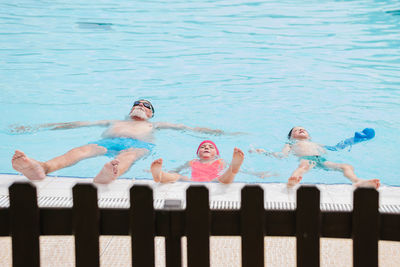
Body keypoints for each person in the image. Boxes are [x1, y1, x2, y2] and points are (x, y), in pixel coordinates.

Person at [11, 100, 230, 184]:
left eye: (146, 106)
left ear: (151, 114)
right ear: (130, 109)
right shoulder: (113, 122)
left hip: (138, 146)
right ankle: (42, 168)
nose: (141, 106)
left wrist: (221, 133)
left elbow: (188, 129)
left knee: (127, 157)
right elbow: (77, 124)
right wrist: (37, 128)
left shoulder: (154, 124)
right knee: (80, 150)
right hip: (108, 142)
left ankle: (109, 174)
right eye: (138, 104)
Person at [249, 126, 380, 188]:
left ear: (309, 136)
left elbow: (336, 148)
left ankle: (357, 181)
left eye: (303, 129)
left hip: (322, 160)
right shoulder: (290, 143)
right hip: (305, 159)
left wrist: (354, 140)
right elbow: (282, 155)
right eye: (296, 130)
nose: (300, 130)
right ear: (291, 137)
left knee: (346, 166)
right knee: (303, 166)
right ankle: (293, 180)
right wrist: (264, 152)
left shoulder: (315, 143)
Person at [150, 140, 244, 184]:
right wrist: (167, 171)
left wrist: (256, 174)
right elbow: (176, 170)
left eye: (211, 147)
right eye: (203, 147)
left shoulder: (220, 161)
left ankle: (233, 168)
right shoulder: (192, 162)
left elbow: (244, 172)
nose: (206, 147)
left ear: (216, 154)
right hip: (193, 182)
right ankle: (160, 175)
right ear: (198, 153)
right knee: (178, 176)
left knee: (222, 178)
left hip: (213, 181)